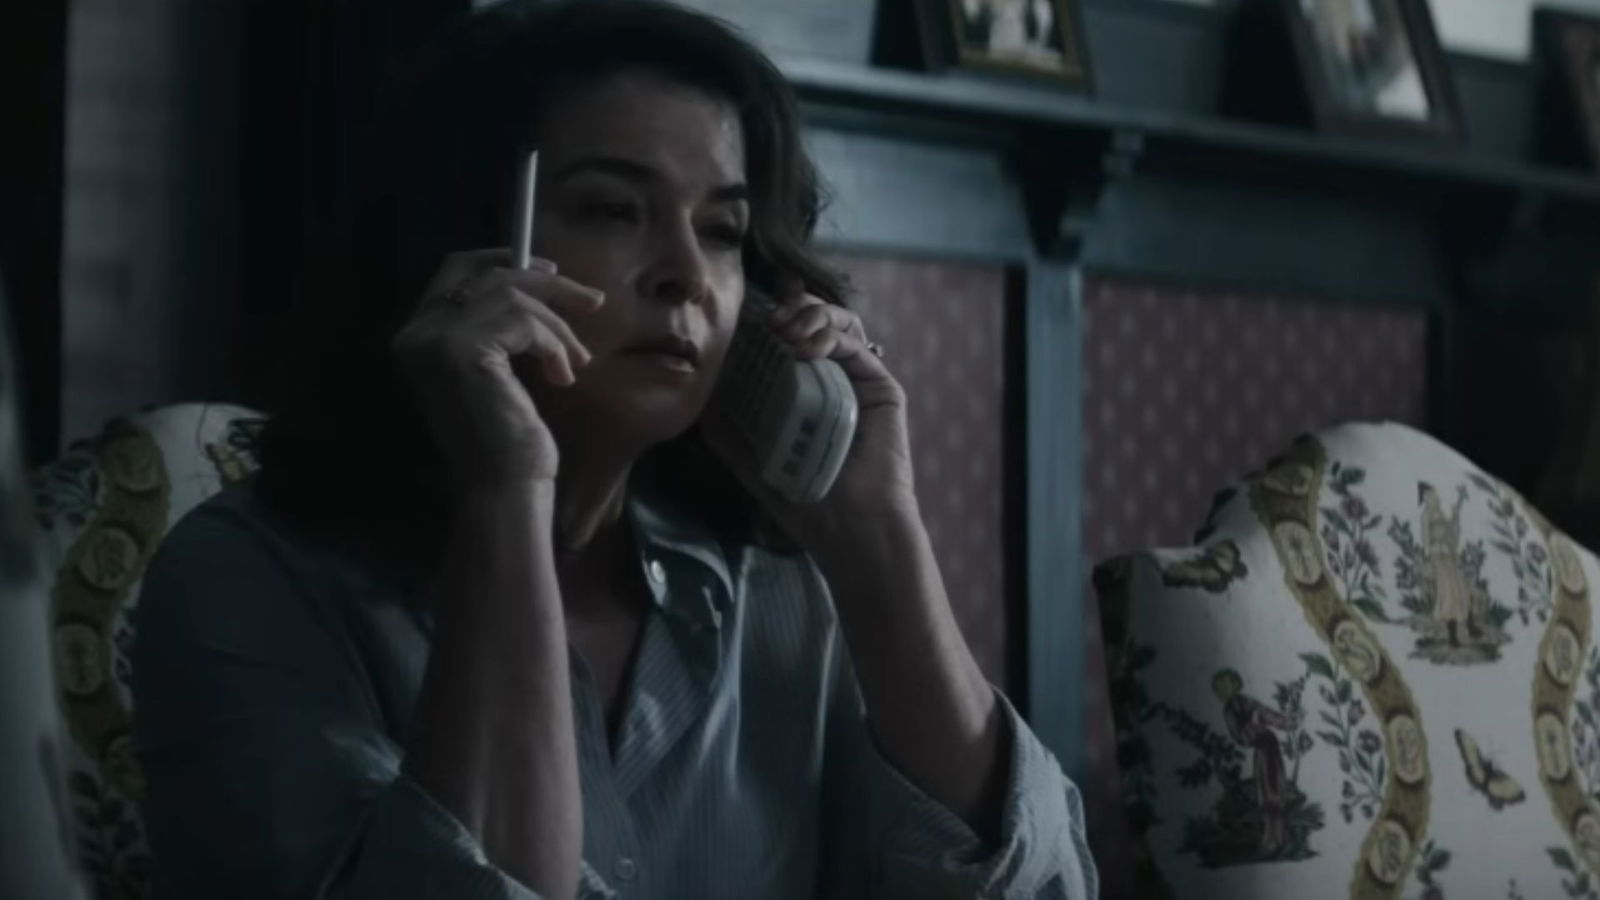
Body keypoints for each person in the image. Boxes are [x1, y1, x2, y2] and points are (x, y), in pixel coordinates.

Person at [130, 1, 1097, 898]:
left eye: (722, 229)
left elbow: (1044, 890)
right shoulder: (249, 581)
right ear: (465, 240)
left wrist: (879, 541)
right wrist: (506, 491)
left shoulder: (784, 592)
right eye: (611, 210)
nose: (688, 275)